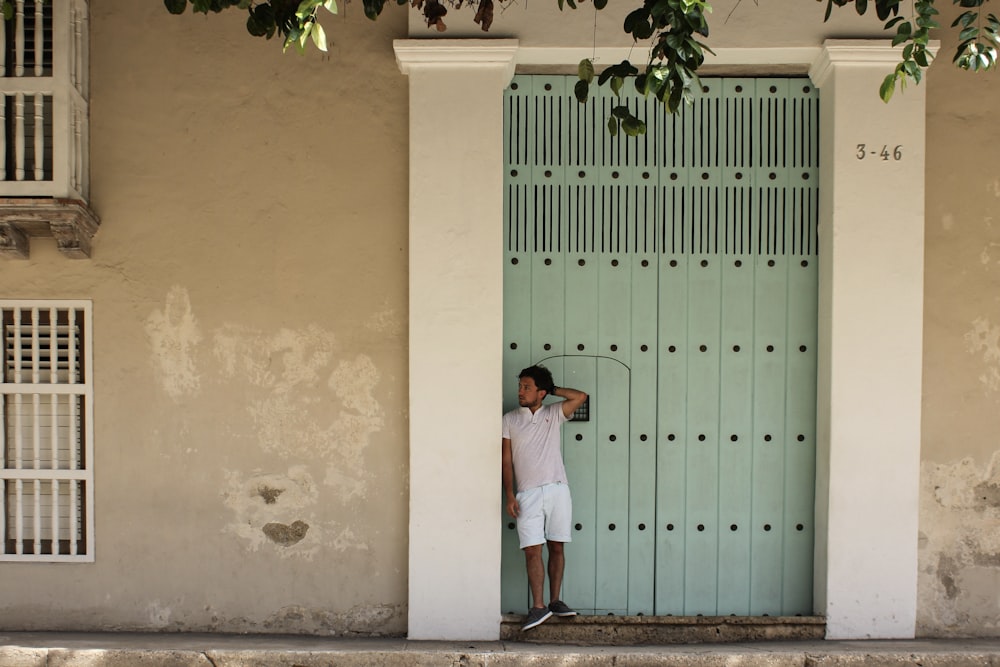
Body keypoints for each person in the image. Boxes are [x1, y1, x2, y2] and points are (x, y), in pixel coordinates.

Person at [502, 364, 588, 631]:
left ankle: (554, 601)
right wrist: (509, 494)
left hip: (558, 488)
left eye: (527, 387)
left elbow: (580, 397)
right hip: (527, 493)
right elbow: (506, 460)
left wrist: (552, 390)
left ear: (540, 392)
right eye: (520, 386)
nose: (521, 391)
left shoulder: (554, 413)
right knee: (532, 549)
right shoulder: (510, 419)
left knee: (557, 546)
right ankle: (537, 607)